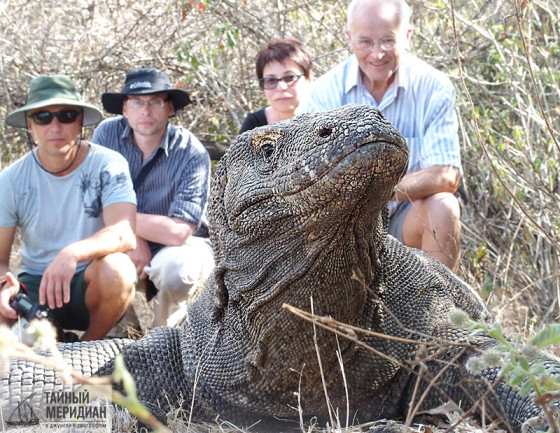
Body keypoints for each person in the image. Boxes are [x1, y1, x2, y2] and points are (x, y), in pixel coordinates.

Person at [298, 0, 462, 270]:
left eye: (388, 40)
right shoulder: (324, 93)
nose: (377, 54)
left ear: (407, 36)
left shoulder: (433, 87)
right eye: (366, 42)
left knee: (444, 207)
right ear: (349, 39)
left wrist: (378, 191)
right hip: (342, 228)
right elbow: (310, 178)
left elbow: (447, 175)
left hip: (405, 223)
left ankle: (438, 307)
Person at [0, 75, 138, 341]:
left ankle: (88, 351)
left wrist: (71, 253)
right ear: (30, 125)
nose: (55, 126)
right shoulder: (10, 180)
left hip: (89, 284)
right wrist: (5, 286)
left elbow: (124, 232)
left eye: (66, 115)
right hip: (35, 286)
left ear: (79, 122)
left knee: (118, 269)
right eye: (42, 117)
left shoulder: (109, 163)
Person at [92, 68, 214, 327]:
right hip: (121, 239)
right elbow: (94, 202)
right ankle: (122, 336)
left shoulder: (192, 152)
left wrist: (125, 225)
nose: (145, 111)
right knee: (97, 258)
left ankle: (164, 339)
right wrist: (132, 237)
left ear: (170, 108)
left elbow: (178, 232)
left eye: (155, 102)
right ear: (124, 108)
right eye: (137, 102)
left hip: (182, 246)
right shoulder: (106, 136)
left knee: (177, 271)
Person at [239, 38, 313, 133]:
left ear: (308, 78)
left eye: (289, 77)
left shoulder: (326, 117)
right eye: (271, 80)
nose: (281, 87)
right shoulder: (254, 125)